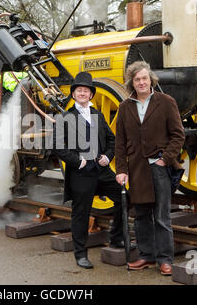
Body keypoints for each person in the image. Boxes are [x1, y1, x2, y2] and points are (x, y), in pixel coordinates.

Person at [114, 61, 185, 276]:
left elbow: (178, 135)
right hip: (136, 170)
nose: (142, 82)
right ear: (132, 83)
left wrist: (165, 159)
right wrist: (121, 170)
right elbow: (120, 142)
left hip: (159, 167)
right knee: (141, 215)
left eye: (144, 78)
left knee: (162, 217)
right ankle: (146, 256)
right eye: (137, 80)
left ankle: (165, 259)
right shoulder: (125, 107)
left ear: (151, 79)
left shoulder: (165, 102)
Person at [52, 71, 125, 269]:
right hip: (81, 172)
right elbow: (58, 147)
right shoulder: (65, 117)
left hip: (101, 170)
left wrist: (107, 157)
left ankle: (116, 238)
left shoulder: (98, 115)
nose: (82, 93)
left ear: (91, 95)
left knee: (124, 196)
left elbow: (112, 140)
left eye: (86, 91)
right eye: (79, 90)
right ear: (74, 94)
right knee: (81, 213)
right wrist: (78, 162)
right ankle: (80, 254)